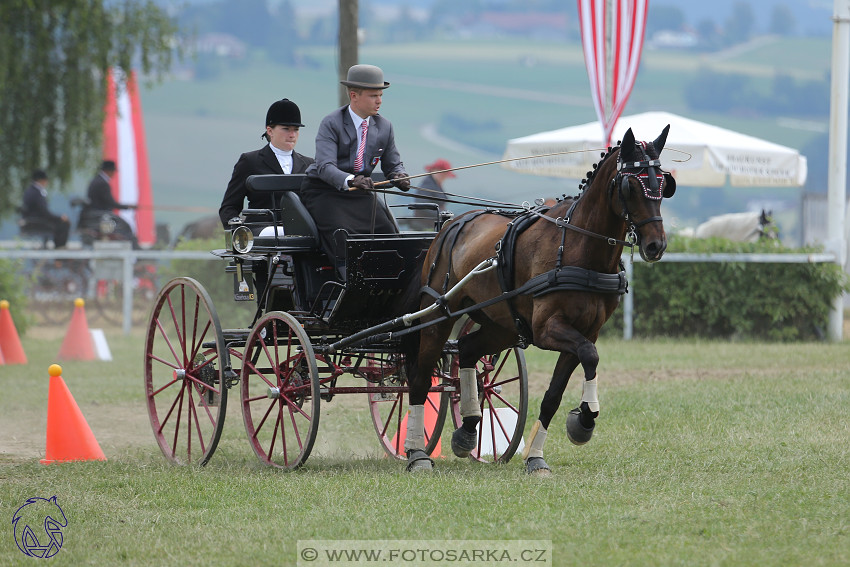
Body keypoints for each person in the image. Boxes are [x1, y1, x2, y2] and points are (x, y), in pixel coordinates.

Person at [301, 64, 411, 269]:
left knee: (390, 235)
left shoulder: (385, 126)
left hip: (359, 194)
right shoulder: (331, 123)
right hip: (324, 192)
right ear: (354, 95)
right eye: (373, 95)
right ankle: (349, 284)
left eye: (380, 95)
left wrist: (399, 175)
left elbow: (393, 163)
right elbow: (325, 166)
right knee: (344, 236)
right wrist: (351, 179)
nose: (379, 101)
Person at [219, 98, 314, 228]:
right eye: (286, 129)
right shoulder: (250, 161)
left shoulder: (309, 164)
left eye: (296, 129)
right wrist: (240, 235)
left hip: (301, 233)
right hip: (262, 233)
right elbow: (229, 206)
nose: (292, 135)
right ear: (270, 131)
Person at [79, 160, 138, 246]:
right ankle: (131, 245)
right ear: (108, 171)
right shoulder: (103, 184)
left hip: (95, 213)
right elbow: (111, 203)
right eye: (113, 171)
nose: (114, 173)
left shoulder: (96, 180)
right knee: (125, 226)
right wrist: (127, 207)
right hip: (100, 215)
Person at [20, 169, 71, 248]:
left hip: (31, 221)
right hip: (38, 222)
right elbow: (44, 212)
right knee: (64, 224)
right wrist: (59, 218)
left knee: (60, 222)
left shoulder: (29, 191)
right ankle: (60, 252)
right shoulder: (37, 192)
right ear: (42, 180)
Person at [404, 158, 455, 231]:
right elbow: (422, 206)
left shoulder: (436, 184)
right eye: (441, 172)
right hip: (423, 228)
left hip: (431, 226)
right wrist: (441, 214)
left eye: (445, 174)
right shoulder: (428, 184)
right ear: (434, 170)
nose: (443, 176)